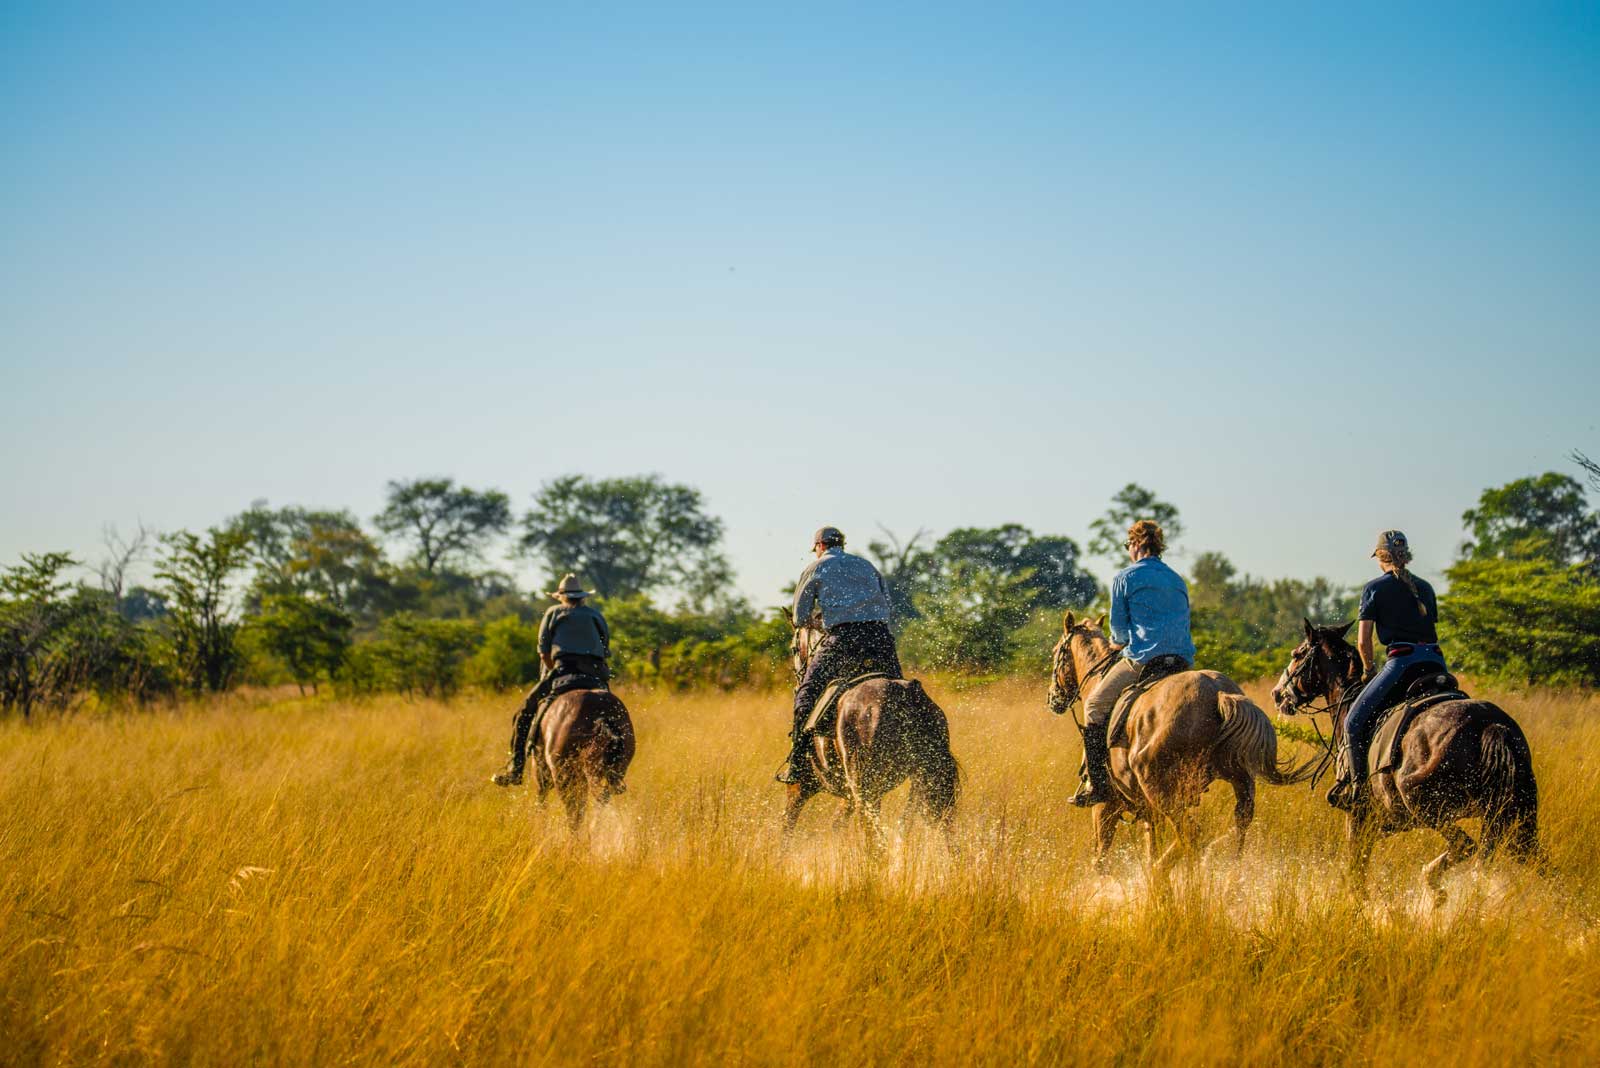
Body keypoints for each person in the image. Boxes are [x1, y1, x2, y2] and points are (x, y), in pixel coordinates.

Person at [1071, 519, 1195, 807]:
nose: (1129, 550)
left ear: (1137, 544)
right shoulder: (1177, 579)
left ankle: (1097, 785)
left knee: (1095, 705)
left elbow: (1119, 633)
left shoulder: (1125, 578)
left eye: (1128, 545)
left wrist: (1117, 643)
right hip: (1181, 661)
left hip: (1143, 659)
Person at [777, 526, 903, 785]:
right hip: (880, 639)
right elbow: (887, 604)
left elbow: (800, 618)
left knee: (805, 696)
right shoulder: (866, 565)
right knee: (901, 692)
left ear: (820, 546)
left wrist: (821, 622)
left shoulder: (815, 568)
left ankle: (797, 765)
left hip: (843, 640)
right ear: (841, 544)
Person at [1330, 530, 1445, 810]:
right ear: (1405, 556)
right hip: (1435, 662)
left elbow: (1362, 640)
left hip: (1402, 663)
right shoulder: (1426, 588)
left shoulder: (1374, 588)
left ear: (1381, 557)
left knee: (1353, 723)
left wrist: (1368, 669)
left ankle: (1359, 792)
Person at [491, 574, 612, 787]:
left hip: (563, 670)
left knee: (524, 713)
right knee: (612, 711)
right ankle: (615, 773)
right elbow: (604, 650)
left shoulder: (553, 613)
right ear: (583, 597)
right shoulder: (595, 615)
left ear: (561, 597)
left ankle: (515, 770)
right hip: (594, 674)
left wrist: (551, 672)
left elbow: (543, 653)